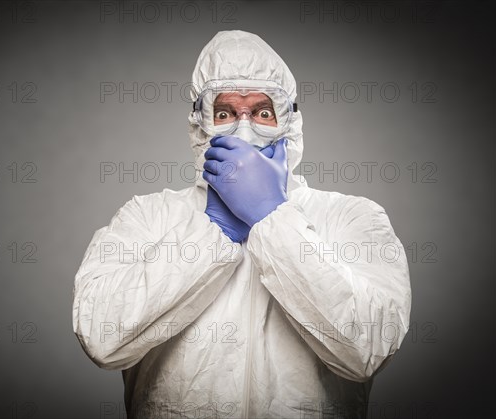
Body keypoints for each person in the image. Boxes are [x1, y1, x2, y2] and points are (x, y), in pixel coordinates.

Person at [73, 30, 412, 418]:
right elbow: (101, 338)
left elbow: (368, 349)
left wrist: (272, 220)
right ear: (201, 126)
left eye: (263, 112)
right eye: (225, 113)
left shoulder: (351, 218)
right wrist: (211, 232)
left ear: (289, 123)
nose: (245, 130)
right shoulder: (148, 217)